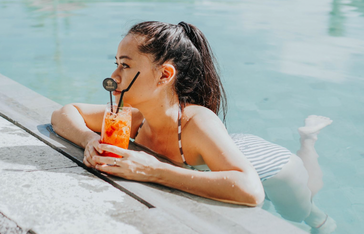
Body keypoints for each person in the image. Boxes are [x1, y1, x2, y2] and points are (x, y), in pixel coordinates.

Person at [51, 21, 336, 233]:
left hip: (272, 166)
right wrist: (89, 139)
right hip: (225, 150)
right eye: (116, 64)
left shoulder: (196, 121)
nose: (113, 75)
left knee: (303, 214)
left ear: (164, 75)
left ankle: (307, 142)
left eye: (125, 66)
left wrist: (153, 171)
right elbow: (65, 113)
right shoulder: (133, 119)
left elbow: (251, 191)